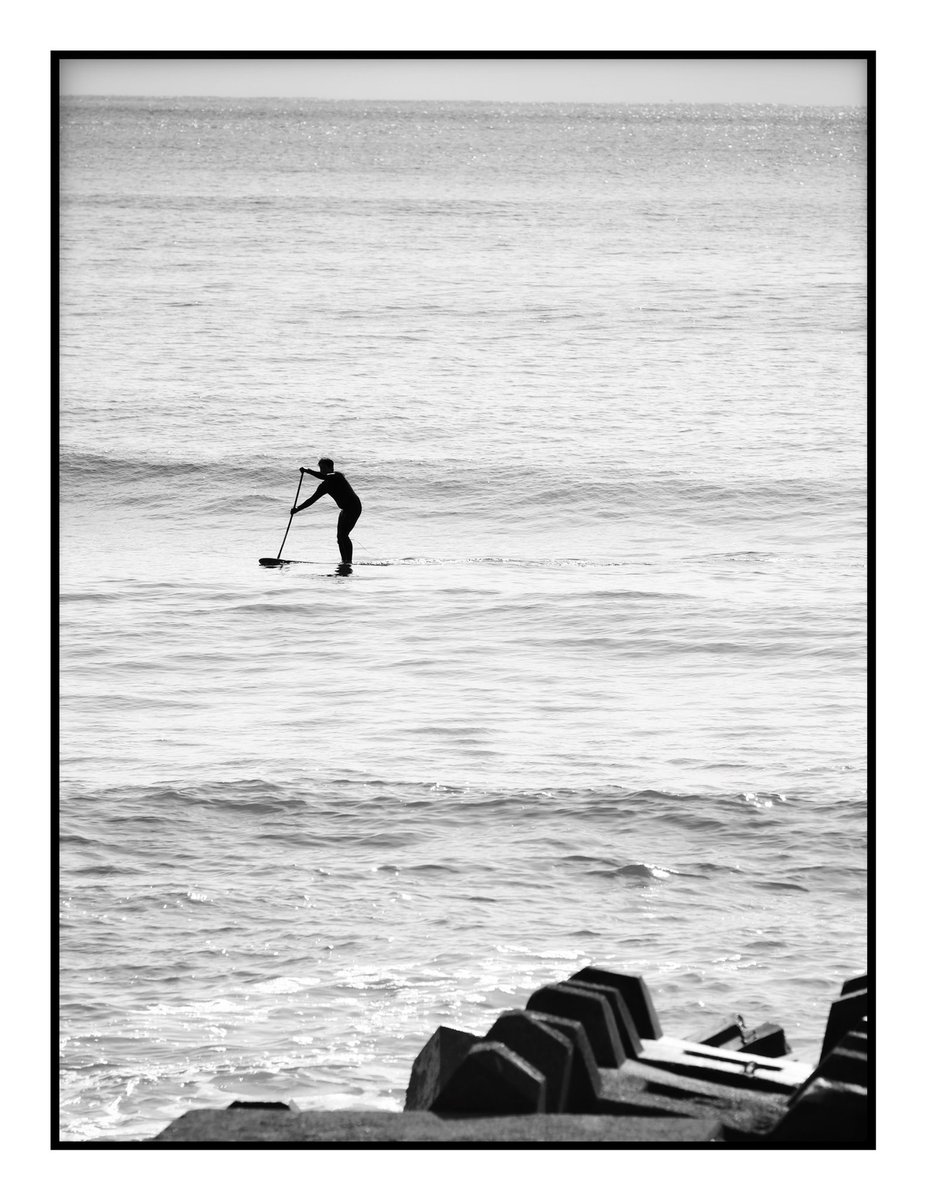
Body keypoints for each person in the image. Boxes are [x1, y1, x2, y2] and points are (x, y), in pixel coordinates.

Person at [291, 458, 363, 566]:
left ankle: (349, 561)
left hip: (354, 507)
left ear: (331, 468)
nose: (322, 471)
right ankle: (344, 561)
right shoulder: (324, 486)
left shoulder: (338, 476)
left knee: (344, 535)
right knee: (339, 537)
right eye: (321, 468)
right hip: (344, 509)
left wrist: (307, 471)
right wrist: (297, 509)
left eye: (324, 468)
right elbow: (312, 500)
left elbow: (323, 476)